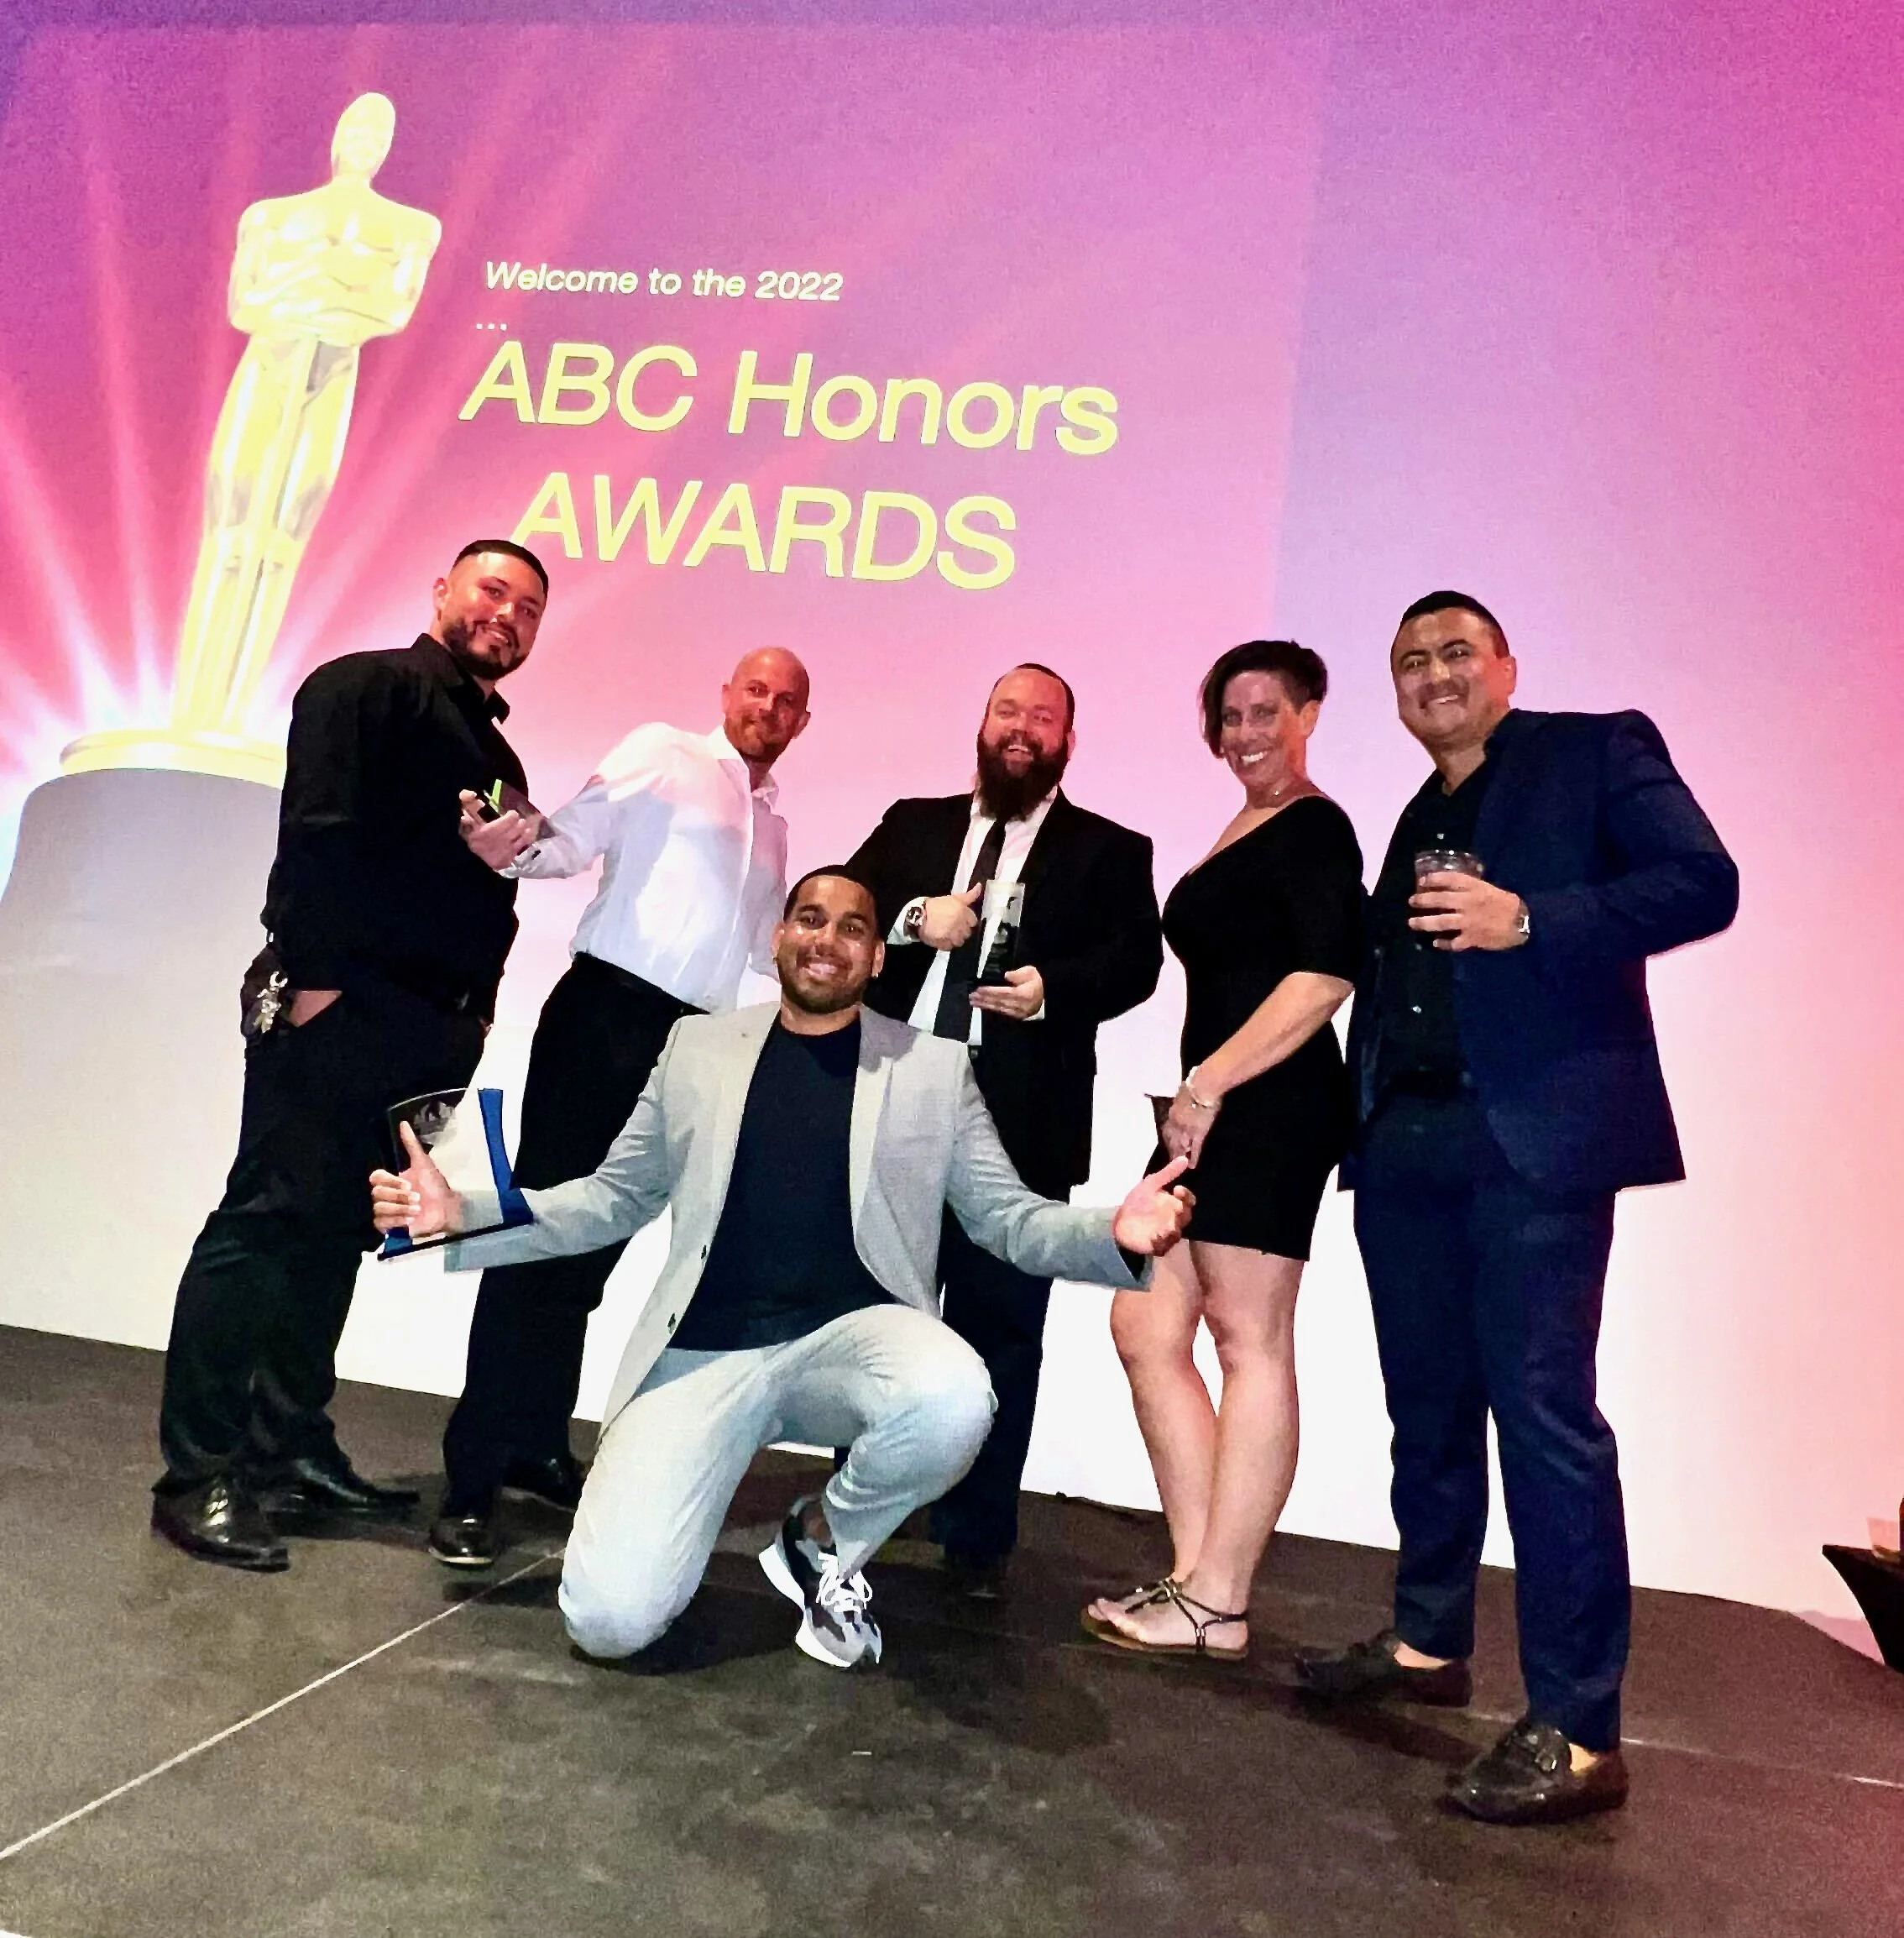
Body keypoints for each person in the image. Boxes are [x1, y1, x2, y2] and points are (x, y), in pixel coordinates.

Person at [369, 871, 1194, 1669]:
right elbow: (609, 1199)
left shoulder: (933, 1069)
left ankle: (821, 1539)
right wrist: (463, 1213)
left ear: (878, 957)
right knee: (608, 1622)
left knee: (954, 1396)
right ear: (779, 937)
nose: (826, 939)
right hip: (701, 1356)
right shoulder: (697, 1048)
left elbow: (1007, 1218)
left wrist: (1112, 1232)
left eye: (852, 927)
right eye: (810, 918)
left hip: (855, 1349)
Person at [1295, 591, 1738, 1825]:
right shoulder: (1417, 813)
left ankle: (1581, 1730)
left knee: (1544, 1418)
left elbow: (1705, 882)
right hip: (1408, 1144)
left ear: (1506, 665)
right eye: (1409, 661)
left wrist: (1531, 918)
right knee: (1427, 1408)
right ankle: (1429, 1640)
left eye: (1455, 652)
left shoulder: (1595, 750)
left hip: (1532, 1143)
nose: (1432, 674)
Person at [151, 539, 550, 1571]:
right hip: (345, 1008)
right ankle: (197, 1473)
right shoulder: (364, 686)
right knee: (264, 1222)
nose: (507, 615)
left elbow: (473, 890)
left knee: (336, 1235)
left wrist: (470, 1021)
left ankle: (287, 1446)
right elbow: (316, 837)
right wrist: (316, 982)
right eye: (492, 590)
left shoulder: (496, 756)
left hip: (424, 1031)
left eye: (528, 608)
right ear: (443, 590)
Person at [431, 648, 812, 1569]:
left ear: (802, 724)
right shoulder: (662, 751)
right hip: (607, 1015)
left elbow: (757, 947)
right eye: (756, 690)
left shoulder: (773, 825)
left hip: (693, 1044)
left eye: (787, 701)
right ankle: (472, 1478)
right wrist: (518, 847)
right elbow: (567, 840)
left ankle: (534, 1444)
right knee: (534, 1240)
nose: (768, 708)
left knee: (593, 1252)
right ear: (727, 694)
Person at [845, 666, 1163, 1591]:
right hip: (892, 1101)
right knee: (872, 1319)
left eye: (1043, 718)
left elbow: (1136, 962)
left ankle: (976, 1532)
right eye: (1008, 711)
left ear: (1068, 740)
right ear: (982, 724)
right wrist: (913, 920)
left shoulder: (1111, 849)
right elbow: (835, 910)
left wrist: (1052, 989)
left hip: (1020, 1120)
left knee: (1002, 1332)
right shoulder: (912, 824)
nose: (1022, 729)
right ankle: (860, 1505)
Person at [1082, 642, 1363, 1660]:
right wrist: (1199, 1095)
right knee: (1145, 1323)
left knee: (1250, 1339)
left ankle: (1219, 1598)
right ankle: (1198, 1578)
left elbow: (1324, 977)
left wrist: (1210, 1084)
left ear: (1309, 713)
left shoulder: (1316, 826)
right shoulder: (1250, 823)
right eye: (1230, 717)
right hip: (1214, 1106)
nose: (1244, 733)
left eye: (1264, 712)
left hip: (1269, 1103)